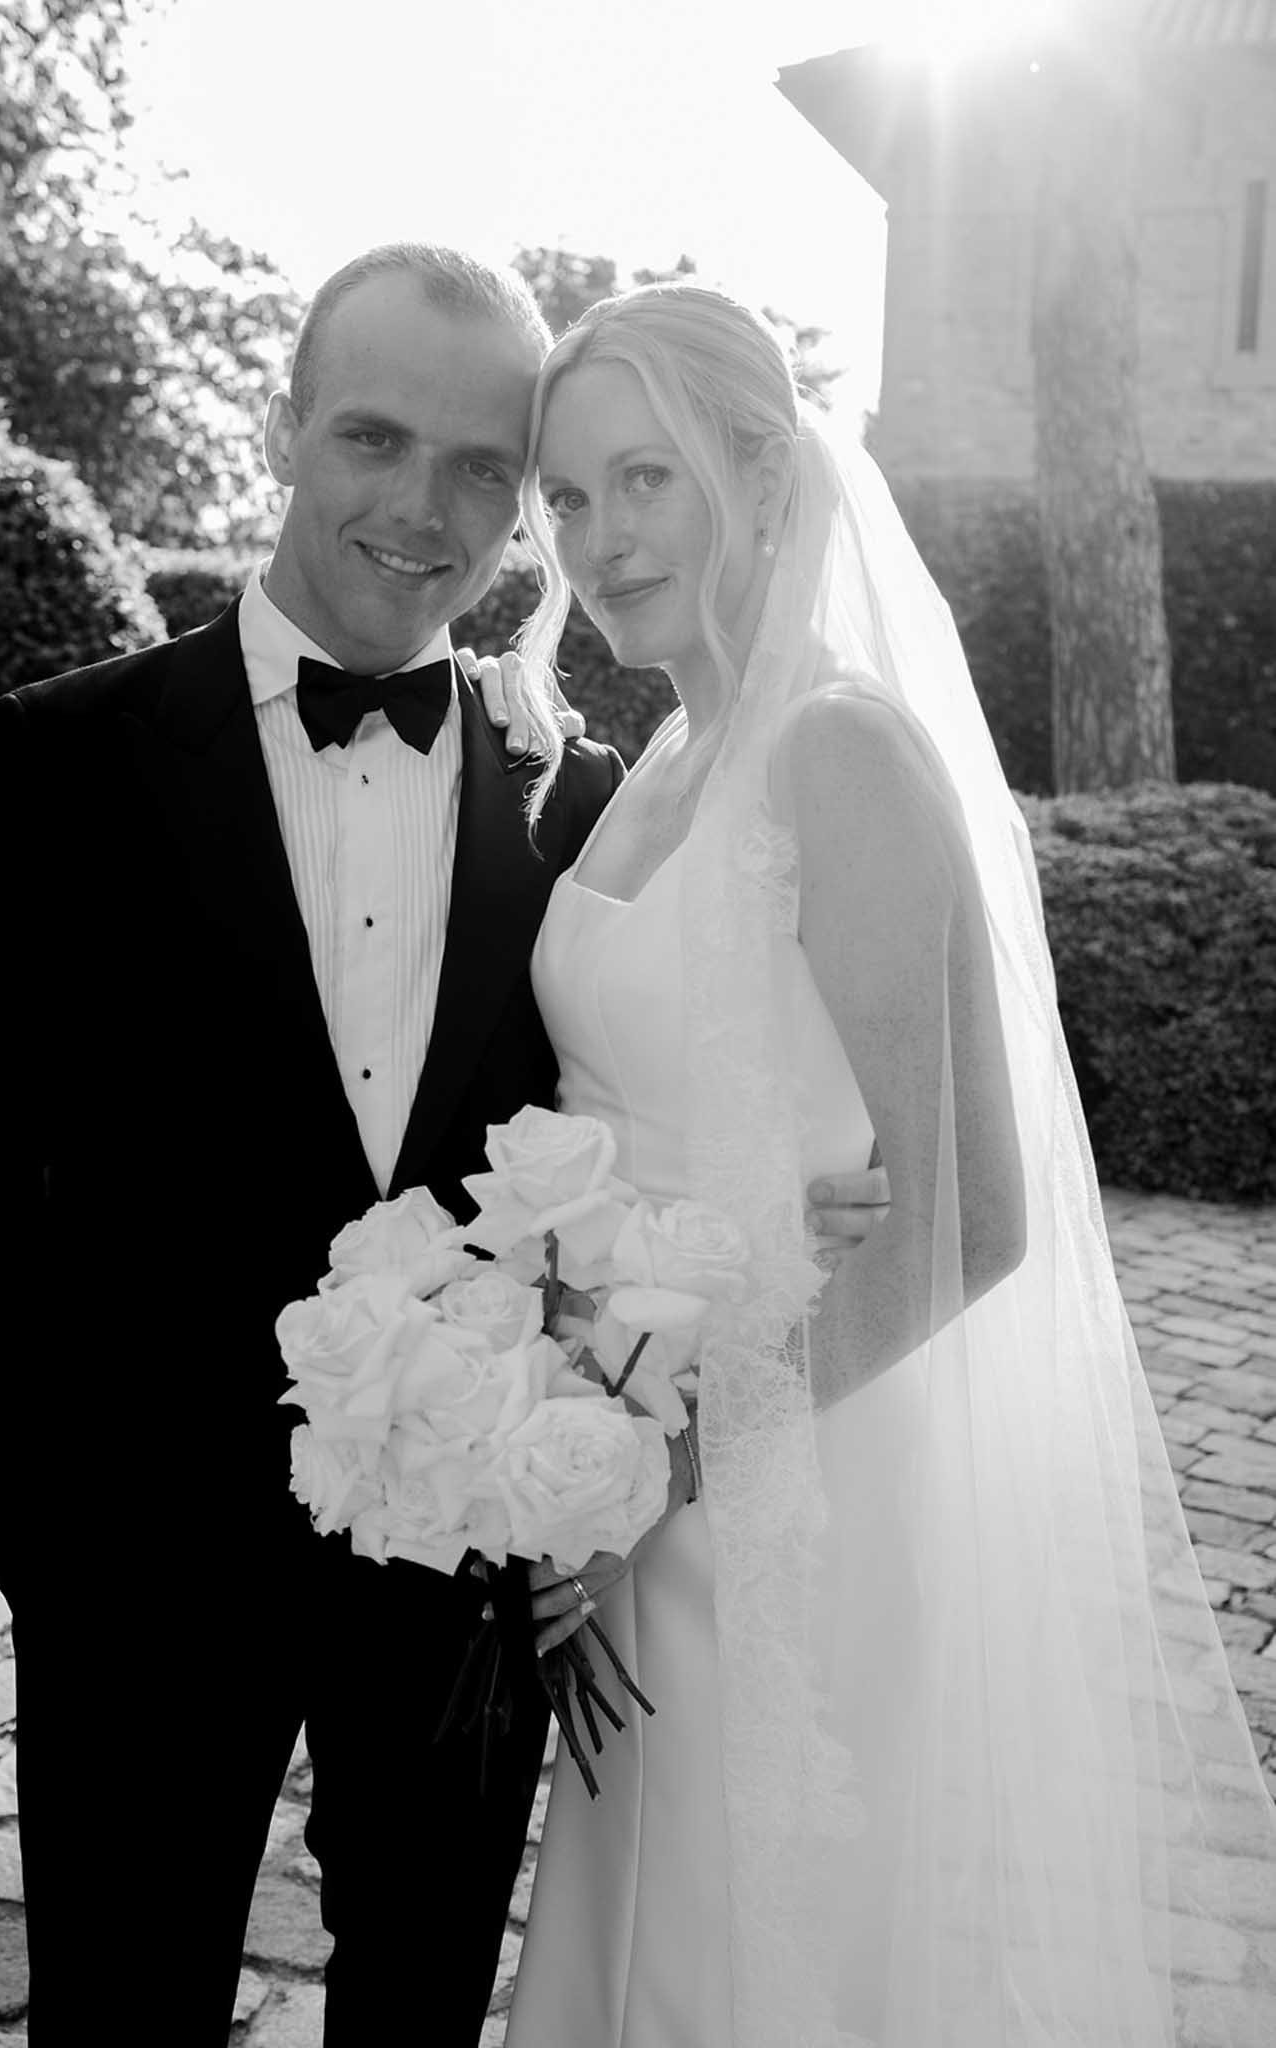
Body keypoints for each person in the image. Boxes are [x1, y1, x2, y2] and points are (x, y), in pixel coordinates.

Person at [0, 242, 886, 2046]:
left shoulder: (574, 796)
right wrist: (29, 1516)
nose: (422, 509)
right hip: (134, 1569)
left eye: (484, 472)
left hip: (473, 1573)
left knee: (427, 2009)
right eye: (373, 438)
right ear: (284, 429)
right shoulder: (50, 763)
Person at [496, 282, 1276, 2048]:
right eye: (564, 497)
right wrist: (558, 1415)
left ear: (764, 477)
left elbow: (969, 1220)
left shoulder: (835, 751)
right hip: (622, 1455)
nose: (596, 540)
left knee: (759, 1962)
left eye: (645, 480)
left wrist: (654, 1471)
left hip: (783, 1485)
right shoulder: (656, 764)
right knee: (632, 1937)